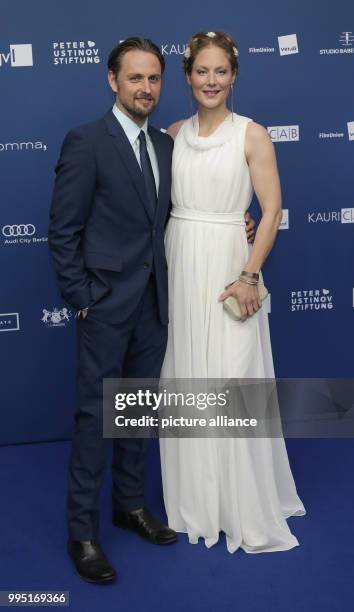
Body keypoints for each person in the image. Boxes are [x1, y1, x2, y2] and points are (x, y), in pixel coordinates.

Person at [48, 35, 257, 582]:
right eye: (135, 78)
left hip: (156, 304)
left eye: (154, 79)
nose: (146, 88)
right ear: (113, 81)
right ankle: (84, 533)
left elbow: (177, 217)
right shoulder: (86, 141)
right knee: (97, 417)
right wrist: (83, 300)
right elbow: (63, 232)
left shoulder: (167, 145)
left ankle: (131, 504)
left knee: (138, 411)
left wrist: (242, 227)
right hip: (105, 306)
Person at [160, 31, 306, 554]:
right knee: (188, 377)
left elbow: (271, 212)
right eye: (202, 71)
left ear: (235, 75)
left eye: (221, 71)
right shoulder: (172, 133)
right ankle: (198, 503)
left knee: (232, 379)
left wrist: (248, 275)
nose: (211, 81)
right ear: (188, 76)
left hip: (229, 267)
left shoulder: (252, 134)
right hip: (180, 266)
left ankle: (242, 503)